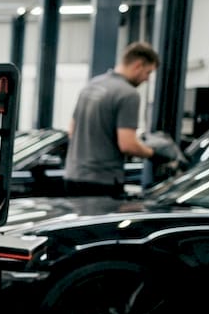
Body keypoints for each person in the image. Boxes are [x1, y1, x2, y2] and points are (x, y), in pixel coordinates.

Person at [64, 41, 180, 197]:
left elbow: (72, 131)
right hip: (102, 182)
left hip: (73, 175)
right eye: (148, 72)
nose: (147, 79)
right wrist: (156, 153)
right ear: (138, 65)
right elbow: (127, 144)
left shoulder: (91, 85)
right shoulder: (128, 94)